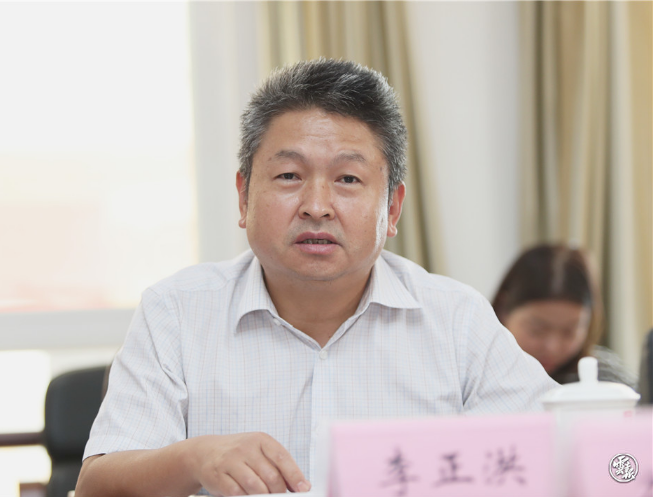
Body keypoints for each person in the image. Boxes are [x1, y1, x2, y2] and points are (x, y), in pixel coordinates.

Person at [75, 58, 557, 497]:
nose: (317, 206)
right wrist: (193, 458)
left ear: (392, 209)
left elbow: (558, 454)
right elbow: (97, 486)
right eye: (289, 176)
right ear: (244, 196)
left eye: (348, 179)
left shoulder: (456, 320)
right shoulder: (176, 312)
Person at [492, 244, 637, 388]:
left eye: (569, 331)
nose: (552, 348)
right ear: (503, 310)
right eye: (537, 330)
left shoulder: (605, 378)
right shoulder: (482, 374)